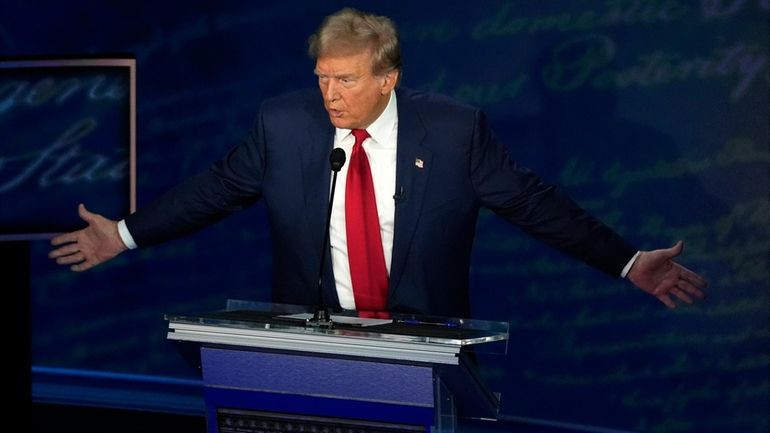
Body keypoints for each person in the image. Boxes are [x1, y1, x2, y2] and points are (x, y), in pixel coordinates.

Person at [48, 8, 706, 318]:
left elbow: (537, 205)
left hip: (422, 346)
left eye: (347, 81)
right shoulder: (285, 125)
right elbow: (214, 190)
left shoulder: (454, 133)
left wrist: (626, 261)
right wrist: (125, 233)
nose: (329, 95)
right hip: (310, 343)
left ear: (387, 78)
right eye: (322, 79)